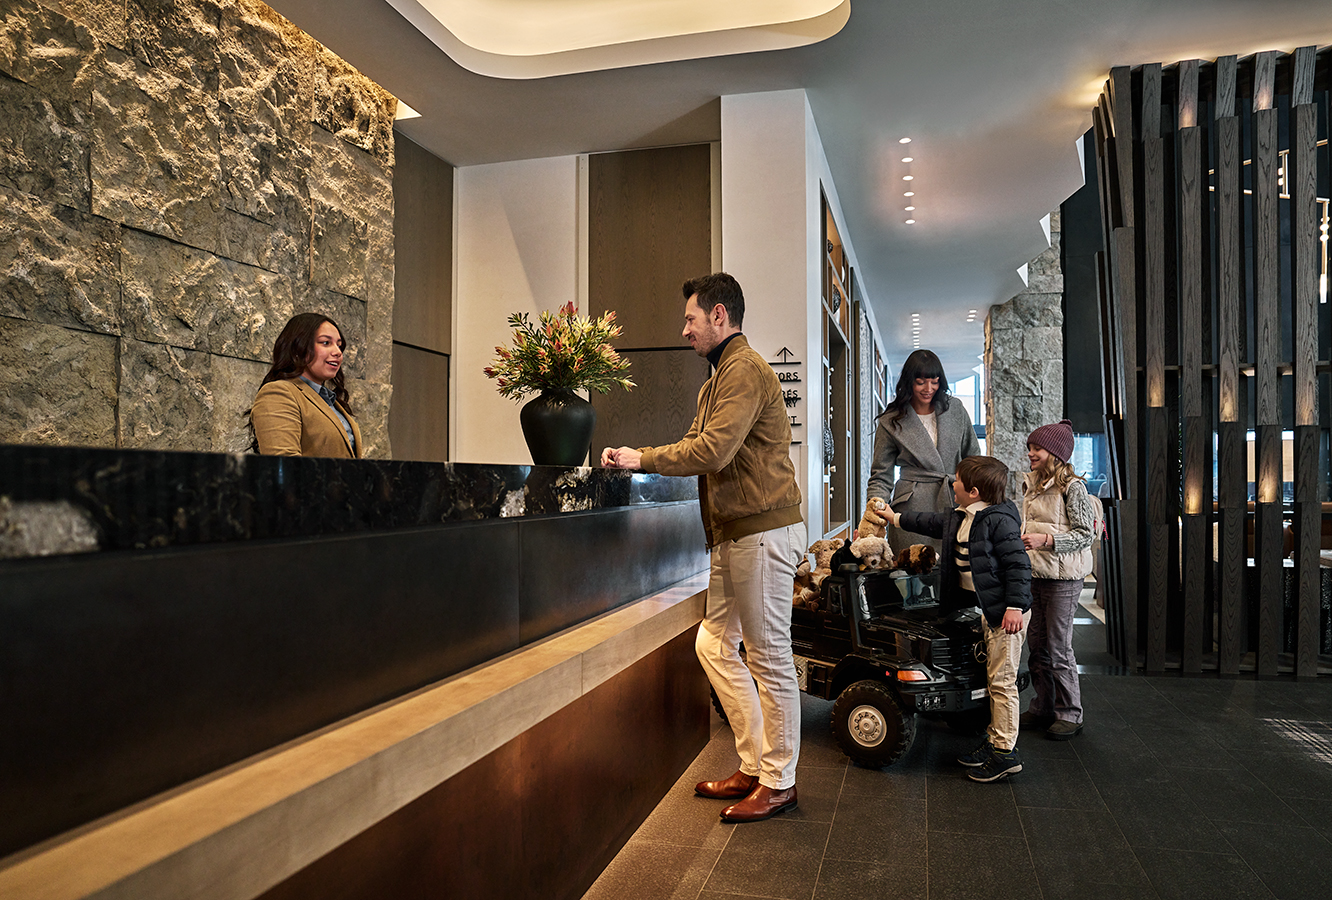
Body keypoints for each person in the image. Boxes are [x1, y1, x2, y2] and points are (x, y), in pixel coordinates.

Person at [601, 273, 806, 823]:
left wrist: (638, 458)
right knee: (715, 645)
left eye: (691, 318)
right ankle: (756, 763)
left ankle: (780, 780)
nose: (683, 328)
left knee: (768, 657)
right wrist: (643, 456)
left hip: (760, 531)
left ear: (720, 316)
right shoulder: (717, 378)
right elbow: (698, 445)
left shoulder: (743, 369)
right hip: (735, 534)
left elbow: (712, 451)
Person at [882, 455, 1032, 782]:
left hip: (1006, 614)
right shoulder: (960, 515)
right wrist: (894, 518)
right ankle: (994, 741)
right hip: (988, 608)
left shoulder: (1000, 521)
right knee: (992, 676)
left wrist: (1015, 607)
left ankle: (1005, 753)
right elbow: (928, 521)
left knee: (1002, 681)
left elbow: (1019, 566)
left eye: (958, 481)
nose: (952, 484)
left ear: (974, 491)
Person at [861, 349, 981, 555]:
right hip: (910, 508)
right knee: (913, 573)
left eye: (934, 381)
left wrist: (979, 500)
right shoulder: (892, 420)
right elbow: (881, 475)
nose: (929, 388)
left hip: (955, 500)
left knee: (956, 571)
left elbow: (974, 459)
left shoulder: (955, 409)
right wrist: (874, 514)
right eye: (921, 382)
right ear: (909, 382)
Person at [1018, 419, 1095, 740]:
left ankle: (1070, 713)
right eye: (1031, 448)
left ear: (1055, 452)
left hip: (1063, 579)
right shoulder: (1033, 483)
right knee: (1036, 645)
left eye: (1037, 448)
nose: (1031, 454)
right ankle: (1043, 706)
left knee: (1058, 646)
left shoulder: (1073, 487)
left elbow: (1085, 535)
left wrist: (1046, 541)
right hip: (1035, 573)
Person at [250, 312, 362, 458]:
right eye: (325, 343)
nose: (338, 352)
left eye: (339, 345)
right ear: (298, 348)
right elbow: (286, 466)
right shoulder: (278, 393)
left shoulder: (332, 402)